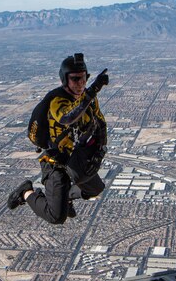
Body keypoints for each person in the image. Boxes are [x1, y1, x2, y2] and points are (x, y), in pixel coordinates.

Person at [7, 53, 109, 224]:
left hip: (75, 159)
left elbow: (100, 123)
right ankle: (26, 193)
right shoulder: (57, 100)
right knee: (56, 216)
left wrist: (100, 150)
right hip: (56, 162)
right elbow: (67, 117)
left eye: (84, 78)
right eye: (75, 79)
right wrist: (92, 91)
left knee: (95, 189)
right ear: (65, 80)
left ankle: (65, 197)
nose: (81, 84)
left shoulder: (89, 100)